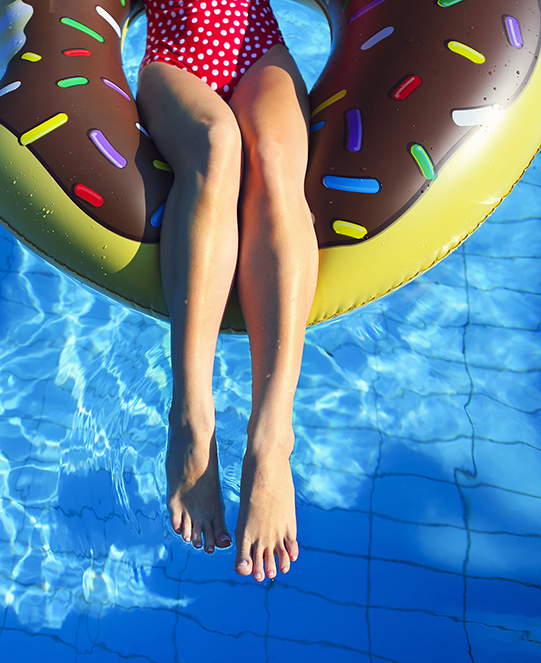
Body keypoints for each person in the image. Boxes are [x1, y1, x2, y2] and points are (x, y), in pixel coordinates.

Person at [136, 0, 318, 582]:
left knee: (272, 158)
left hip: (256, 45)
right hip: (174, 58)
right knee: (217, 144)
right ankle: (192, 416)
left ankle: (272, 435)